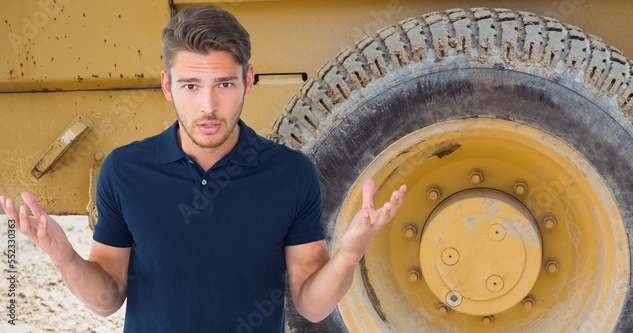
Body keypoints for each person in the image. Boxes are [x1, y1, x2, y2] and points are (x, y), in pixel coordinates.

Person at [0, 5, 406, 332]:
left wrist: (348, 254)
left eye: (224, 85)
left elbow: (312, 306)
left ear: (248, 80)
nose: (208, 106)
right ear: (166, 85)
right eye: (191, 86)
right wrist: (64, 256)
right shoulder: (124, 171)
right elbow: (107, 300)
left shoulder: (291, 174)